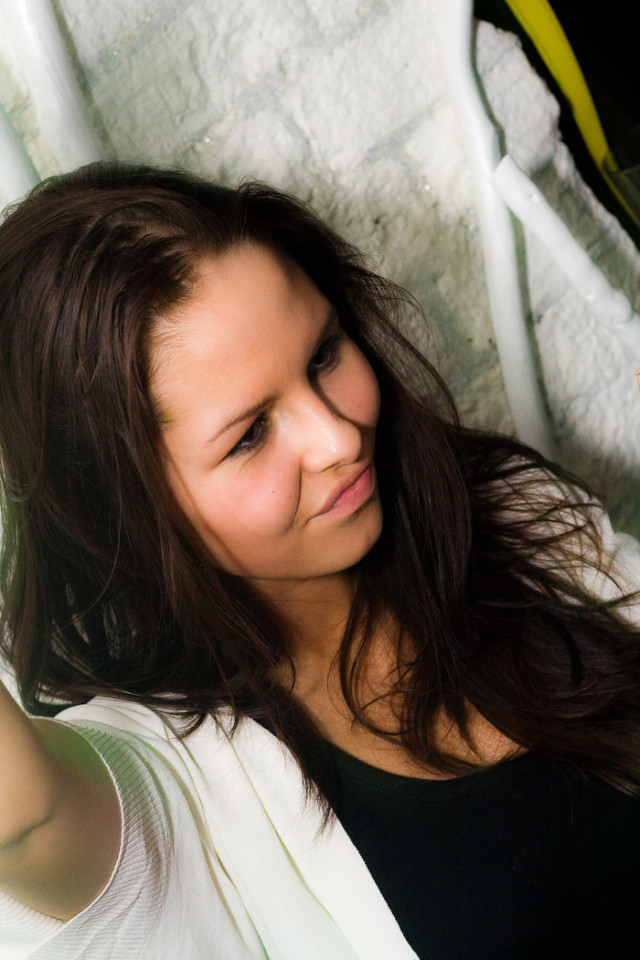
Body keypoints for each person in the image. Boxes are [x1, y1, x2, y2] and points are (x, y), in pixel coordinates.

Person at [0, 162, 639, 960]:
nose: (338, 437)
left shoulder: (503, 509)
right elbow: (21, 818)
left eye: (324, 354)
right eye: (250, 435)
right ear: (127, 512)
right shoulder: (179, 779)